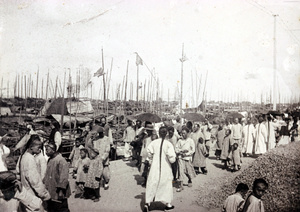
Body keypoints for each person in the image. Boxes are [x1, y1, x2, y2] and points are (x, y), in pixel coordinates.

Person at [144, 126, 176, 212]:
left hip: (155, 166)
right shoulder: (169, 144)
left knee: (152, 182)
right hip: (165, 168)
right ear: (166, 134)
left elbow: (149, 152)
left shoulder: (154, 143)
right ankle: (168, 204)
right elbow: (172, 159)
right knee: (166, 184)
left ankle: (147, 203)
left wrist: (151, 159)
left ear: (158, 133)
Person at [17, 134, 51, 211]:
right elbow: (34, 180)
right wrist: (44, 194)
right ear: (31, 147)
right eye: (38, 147)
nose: (40, 150)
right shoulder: (29, 159)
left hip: (26, 192)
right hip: (32, 195)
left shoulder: (24, 156)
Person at [44, 143, 71, 212]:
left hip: (59, 192)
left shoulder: (61, 160)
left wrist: (61, 191)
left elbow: (64, 176)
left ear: (53, 150)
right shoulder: (50, 160)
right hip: (51, 190)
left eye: (47, 150)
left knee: (62, 209)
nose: (46, 152)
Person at [175, 127, 196, 192]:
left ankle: (189, 179)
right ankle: (181, 186)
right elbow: (176, 148)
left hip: (187, 158)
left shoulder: (190, 141)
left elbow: (193, 150)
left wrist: (187, 153)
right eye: (182, 133)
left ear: (187, 133)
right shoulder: (180, 141)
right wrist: (181, 151)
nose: (183, 134)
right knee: (181, 171)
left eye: (184, 133)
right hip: (180, 158)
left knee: (187, 171)